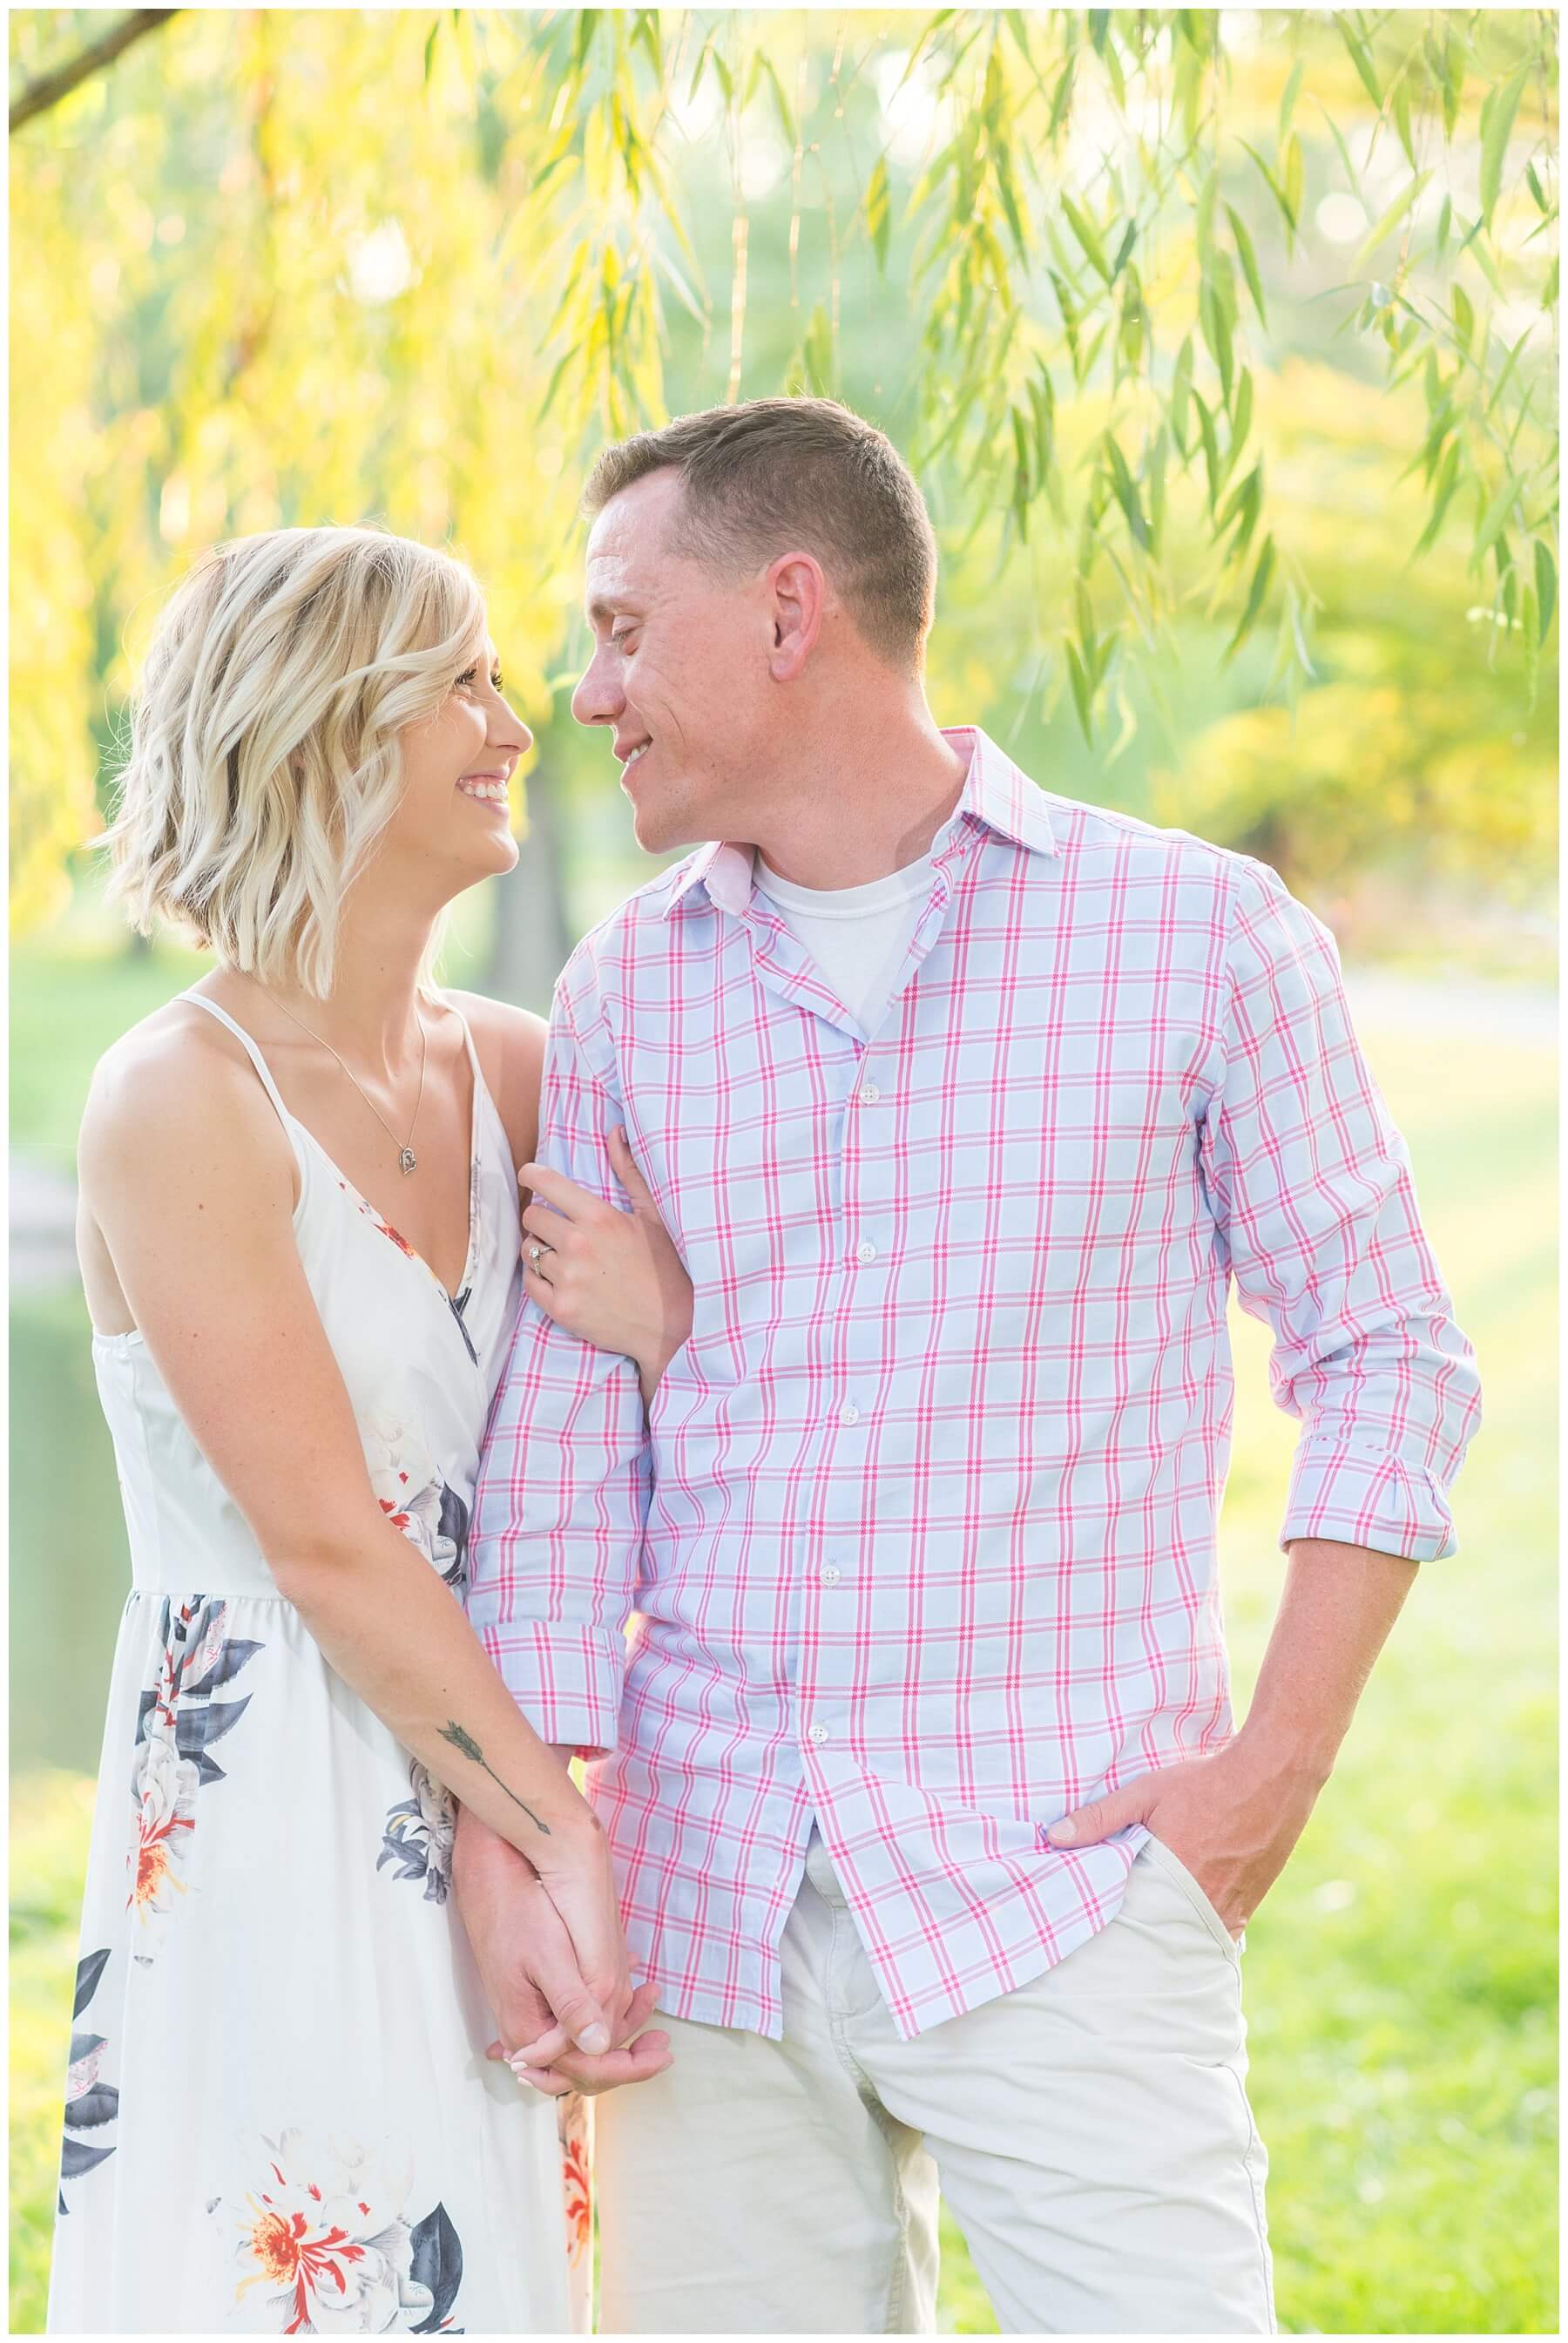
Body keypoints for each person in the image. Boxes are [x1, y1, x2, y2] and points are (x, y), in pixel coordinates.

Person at [455, 398, 1484, 2335]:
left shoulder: (1197, 940)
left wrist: (1266, 1774)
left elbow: (1390, 1359)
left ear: (789, 613)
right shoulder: (625, 992)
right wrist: (527, 1840)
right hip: (708, 1908)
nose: (586, 694)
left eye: (623, 630)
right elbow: (570, 1460)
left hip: (1064, 1882)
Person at [48, 525, 685, 2334]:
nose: (519, 722)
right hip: (281, 1800)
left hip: (503, 1753)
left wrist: (665, 1322)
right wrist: (560, 1833)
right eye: (463, 683)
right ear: (325, 724)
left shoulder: (524, 1068)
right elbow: (327, 1542)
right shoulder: (180, 1098)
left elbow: (645, 1438)